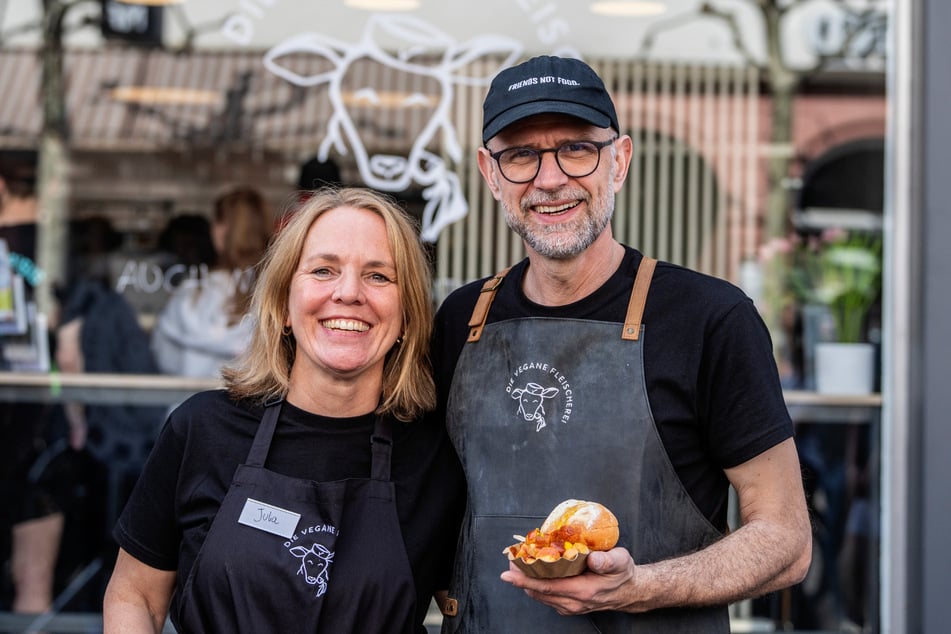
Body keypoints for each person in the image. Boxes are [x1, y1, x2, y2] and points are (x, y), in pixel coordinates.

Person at [432, 55, 812, 632]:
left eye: (577, 149)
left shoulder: (711, 319)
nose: (549, 179)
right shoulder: (461, 320)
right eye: (521, 155)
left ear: (620, 161)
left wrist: (640, 588)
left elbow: (786, 539)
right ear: (490, 173)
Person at [103, 187, 466, 633]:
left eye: (378, 276)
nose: (348, 292)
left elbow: (472, 612)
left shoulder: (435, 457)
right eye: (323, 270)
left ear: (407, 316)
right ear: (283, 306)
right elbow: (135, 595)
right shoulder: (202, 429)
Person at [150, 186, 272, 379]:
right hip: (247, 397)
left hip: (186, 396)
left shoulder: (192, 294)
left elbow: (163, 356)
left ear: (222, 230)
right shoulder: (276, 294)